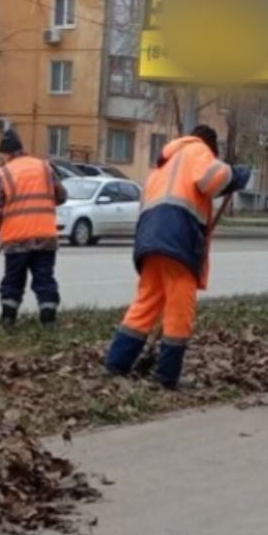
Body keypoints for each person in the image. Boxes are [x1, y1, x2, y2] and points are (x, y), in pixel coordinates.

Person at [104, 125, 250, 389]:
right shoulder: (197, 150)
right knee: (179, 309)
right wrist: (238, 175)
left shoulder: (165, 163)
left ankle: (116, 364)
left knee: (146, 303)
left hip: (150, 240)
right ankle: (167, 376)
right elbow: (214, 179)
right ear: (210, 145)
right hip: (176, 239)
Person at [0, 129, 68, 327]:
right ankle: (48, 320)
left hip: (16, 239)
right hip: (45, 237)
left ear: (6, 153)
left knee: (13, 281)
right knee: (44, 279)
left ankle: (8, 319)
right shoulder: (44, 167)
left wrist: (1, 227)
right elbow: (61, 196)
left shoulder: (5, 172)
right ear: (21, 149)